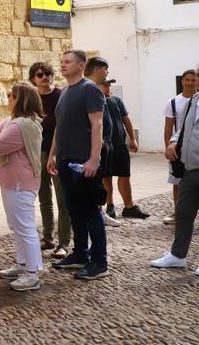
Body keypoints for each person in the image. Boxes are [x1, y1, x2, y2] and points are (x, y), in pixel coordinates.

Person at [48, 50, 110, 280]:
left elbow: (98, 125)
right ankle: (80, 254)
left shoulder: (89, 89)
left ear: (81, 65)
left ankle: (100, 262)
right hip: (65, 161)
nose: (62, 65)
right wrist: (52, 154)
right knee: (75, 211)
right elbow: (60, 126)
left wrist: (94, 159)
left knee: (91, 212)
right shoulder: (65, 91)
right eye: (61, 61)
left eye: (68, 62)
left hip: (83, 163)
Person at [0, 83, 45, 291]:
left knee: (25, 226)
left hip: (21, 183)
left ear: (22, 100)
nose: (8, 97)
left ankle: (32, 273)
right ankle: (22, 264)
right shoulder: (14, 121)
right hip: (12, 180)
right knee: (16, 225)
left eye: (12, 95)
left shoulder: (21, 125)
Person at [152, 66, 199, 272]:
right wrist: (172, 142)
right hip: (190, 168)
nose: (196, 80)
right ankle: (178, 255)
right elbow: (182, 131)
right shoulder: (192, 102)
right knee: (183, 211)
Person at [29, 61, 70, 258]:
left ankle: (64, 242)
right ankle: (48, 237)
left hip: (58, 151)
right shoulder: (32, 98)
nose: (45, 77)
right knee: (44, 197)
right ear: (33, 79)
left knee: (62, 199)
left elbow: (62, 126)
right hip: (37, 152)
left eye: (48, 73)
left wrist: (53, 153)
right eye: (40, 74)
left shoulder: (61, 96)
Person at [82, 57, 121, 228]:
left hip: (105, 142)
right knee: (95, 181)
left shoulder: (96, 91)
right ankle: (96, 213)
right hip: (94, 145)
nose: (107, 74)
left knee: (102, 178)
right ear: (98, 69)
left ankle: (100, 210)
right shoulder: (88, 89)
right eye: (106, 69)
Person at [99, 79, 147, 218]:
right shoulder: (95, 101)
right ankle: (110, 206)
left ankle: (129, 206)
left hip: (120, 144)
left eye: (109, 85)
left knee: (125, 175)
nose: (108, 87)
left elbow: (126, 119)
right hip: (106, 145)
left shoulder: (116, 100)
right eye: (105, 84)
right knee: (106, 177)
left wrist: (132, 138)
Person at [162, 69, 197, 224]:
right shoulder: (173, 102)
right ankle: (178, 213)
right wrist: (168, 146)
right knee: (177, 181)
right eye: (187, 79)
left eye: (193, 79)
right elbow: (169, 127)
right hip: (178, 147)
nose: (190, 82)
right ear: (182, 81)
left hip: (195, 147)